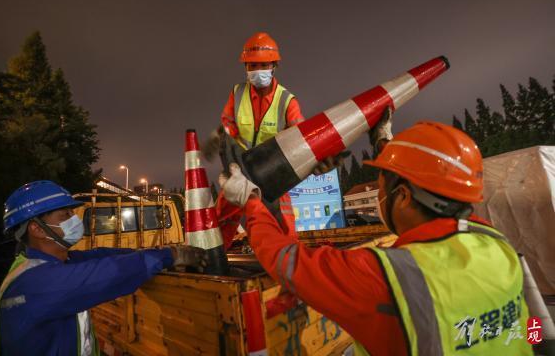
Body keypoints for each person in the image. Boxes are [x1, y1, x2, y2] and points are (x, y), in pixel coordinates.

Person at [218, 114, 533, 355]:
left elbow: (285, 259)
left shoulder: (386, 278)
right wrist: (385, 141)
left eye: (382, 181)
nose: (379, 190)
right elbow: (531, 329)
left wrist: (251, 202)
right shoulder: (496, 244)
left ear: (405, 196)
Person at [0, 180, 207, 356]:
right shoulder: (36, 283)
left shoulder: (50, 265)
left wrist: (159, 251)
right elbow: (110, 272)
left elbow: (102, 256)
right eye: (65, 215)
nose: (74, 220)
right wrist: (172, 255)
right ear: (37, 229)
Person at [218, 32, 340, 240]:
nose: (257, 71)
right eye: (252, 66)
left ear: (274, 66)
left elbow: (302, 136)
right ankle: (213, 261)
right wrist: (226, 143)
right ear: (245, 67)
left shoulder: (286, 101)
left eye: (263, 65)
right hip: (242, 170)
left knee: (283, 230)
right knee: (220, 222)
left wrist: (321, 155)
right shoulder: (237, 93)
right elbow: (227, 124)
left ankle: (287, 265)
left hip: (273, 173)